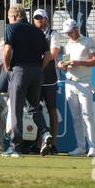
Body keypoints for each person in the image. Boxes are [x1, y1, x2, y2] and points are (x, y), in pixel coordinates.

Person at [2, 4, 53, 157]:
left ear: (14, 17)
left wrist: (7, 67)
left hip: (19, 70)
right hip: (36, 71)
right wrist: (40, 69)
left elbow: (7, 50)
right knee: (34, 107)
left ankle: (15, 147)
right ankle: (45, 133)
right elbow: (48, 55)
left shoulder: (12, 28)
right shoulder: (37, 31)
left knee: (16, 108)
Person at [57, 19, 95, 157]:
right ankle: (81, 147)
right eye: (67, 33)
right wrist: (62, 65)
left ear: (76, 28)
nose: (68, 35)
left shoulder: (88, 41)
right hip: (70, 82)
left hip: (84, 83)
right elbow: (66, 63)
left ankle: (92, 147)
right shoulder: (67, 45)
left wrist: (78, 62)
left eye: (70, 31)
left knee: (87, 115)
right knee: (76, 117)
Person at [32, 9, 60, 154]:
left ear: (46, 19)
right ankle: (39, 142)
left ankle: (53, 143)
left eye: (41, 18)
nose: (39, 20)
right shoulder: (31, 33)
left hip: (49, 77)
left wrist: (37, 59)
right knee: (35, 109)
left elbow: (53, 54)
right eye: (36, 18)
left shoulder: (53, 34)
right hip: (35, 77)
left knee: (51, 109)